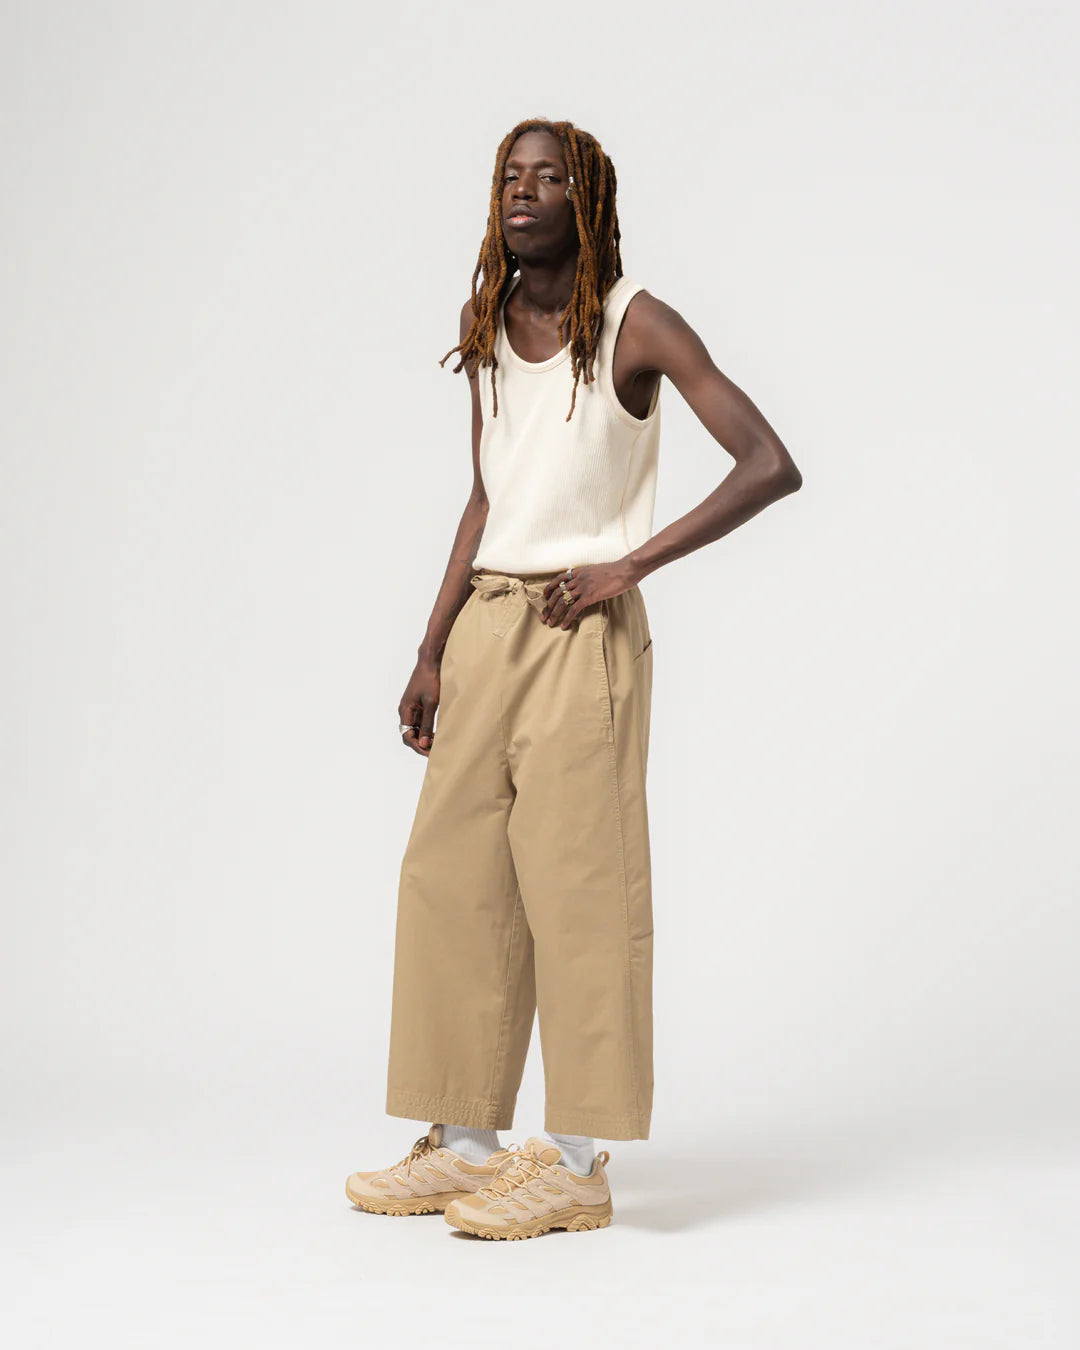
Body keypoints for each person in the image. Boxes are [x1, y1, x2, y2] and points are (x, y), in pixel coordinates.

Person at [345, 117, 802, 1240]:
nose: (525, 190)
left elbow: (768, 462)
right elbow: (487, 497)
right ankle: (465, 1147)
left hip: (578, 628)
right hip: (487, 629)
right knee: (451, 880)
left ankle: (581, 1165)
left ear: (585, 199)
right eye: (512, 175)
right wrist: (430, 647)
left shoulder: (636, 323)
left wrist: (628, 565)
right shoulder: (488, 323)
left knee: (580, 890)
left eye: (550, 177)